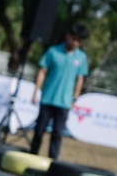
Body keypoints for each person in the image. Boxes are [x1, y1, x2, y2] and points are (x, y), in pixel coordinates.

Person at [30, 23, 90, 160]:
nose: (75, 43)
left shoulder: (81, 57)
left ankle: (53, 160)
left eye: (79, 41)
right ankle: (32, 155)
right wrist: (36, 91)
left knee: (57, 133)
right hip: (48, 98)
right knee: (39, 130)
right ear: (68, 36)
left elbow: (80, 79)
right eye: (74, 39)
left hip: (64, 101)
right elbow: (42, 71)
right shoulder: (53, 51)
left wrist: (75, 98)